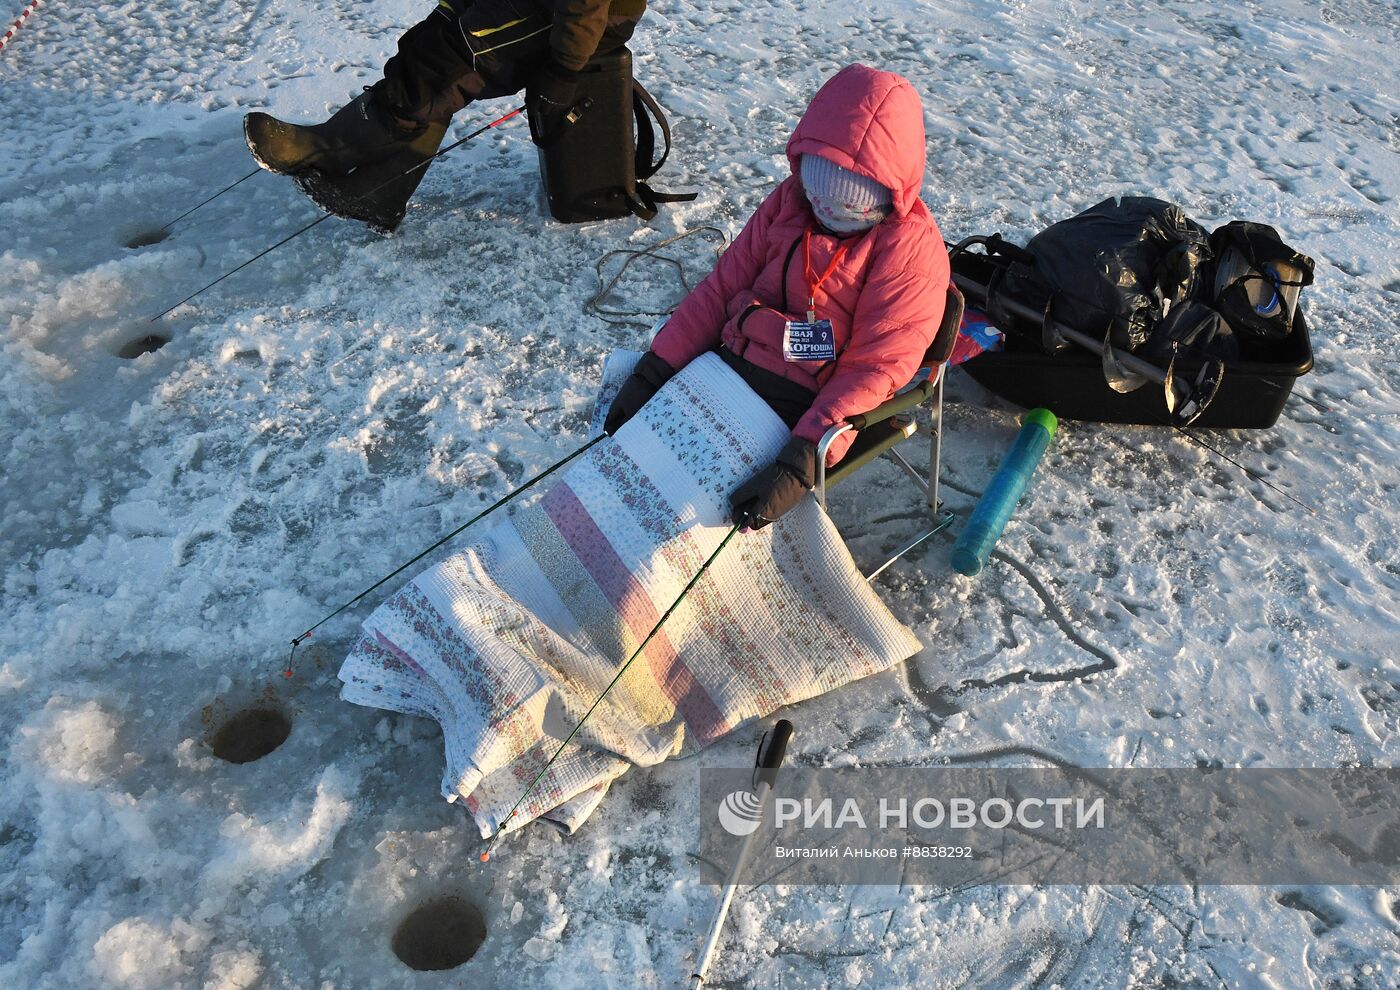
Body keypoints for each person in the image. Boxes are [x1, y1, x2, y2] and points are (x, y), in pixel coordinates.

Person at [603, 63, 951, 529]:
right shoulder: (790, 201)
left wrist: (801, 461)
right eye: (819, 197)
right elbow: (722, 287)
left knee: (686, 518)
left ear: (889, 197)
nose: (828, 215)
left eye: (852, 207)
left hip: (803, 406)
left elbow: (875, 366)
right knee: (626, 467)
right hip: (725, 369)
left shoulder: (908, 251)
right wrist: (657, 368)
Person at [243, 0, 648, 232]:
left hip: (587, 12)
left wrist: (564, 69)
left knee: (451, 59)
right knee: (436, 35)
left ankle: (333, 147)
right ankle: (382, 191)